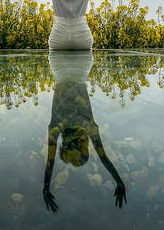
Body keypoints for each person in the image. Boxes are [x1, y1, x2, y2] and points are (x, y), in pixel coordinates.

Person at [42, 51, 127, 212]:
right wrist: (45, 187)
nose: (85, 141)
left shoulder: (78, 127)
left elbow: (103, 157)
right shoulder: (63, 127)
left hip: (76, 67)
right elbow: (50, 161)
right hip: (64, 67)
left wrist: (120, 182)